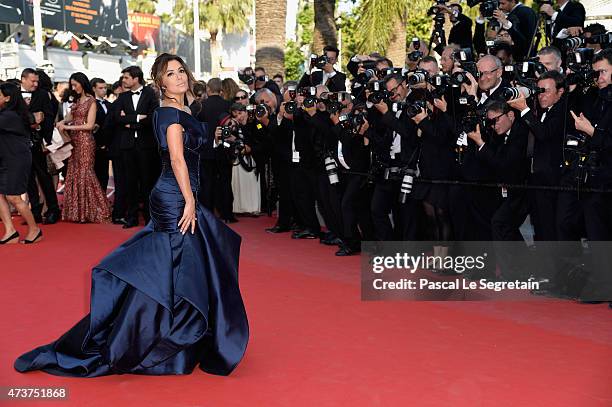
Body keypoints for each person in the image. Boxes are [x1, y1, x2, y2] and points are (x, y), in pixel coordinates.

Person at [14, 53, 249, 377]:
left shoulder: (184, 108)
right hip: (175, 197)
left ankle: (173, 337)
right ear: (160, 82)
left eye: (182, 70)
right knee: (175, 267)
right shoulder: (167, 112)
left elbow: (196, 145)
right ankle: (144, 338)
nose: (179, 77)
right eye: (171, 73)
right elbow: (178, 160)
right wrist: (190, 201)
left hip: (183, 194)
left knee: (178, 268)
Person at [56, 72, 111, 223]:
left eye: (75, 85)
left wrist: (69, 126)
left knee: (86, 174)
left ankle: (96, 209)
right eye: (72, 85)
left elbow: (89, 125)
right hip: (73, 142)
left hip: (86, 141)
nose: (73, 88)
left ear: (82, 83)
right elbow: (69, 117)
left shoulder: (91, 101)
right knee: (74, 173)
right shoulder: (76, 100)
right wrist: (61, 122)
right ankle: (78, 212)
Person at [0, 82, 42, 244]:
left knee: (13, 197)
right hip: (6, 158)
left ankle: (35, 230)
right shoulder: (8, 113)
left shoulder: (9, 116)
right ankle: (10, 231)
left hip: (16, 159)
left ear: (8, 98)